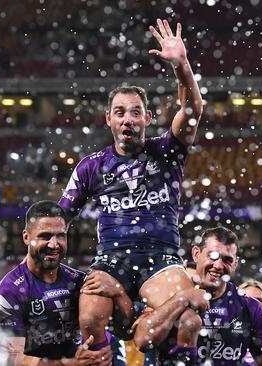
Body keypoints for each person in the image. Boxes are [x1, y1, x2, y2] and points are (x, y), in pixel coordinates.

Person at [58, 18, 204, 363]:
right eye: (120, 113)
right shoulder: (91, 166)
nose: (128, 119)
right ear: (108, 119)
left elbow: (192, 110)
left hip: (162, 260)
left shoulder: (167, 152)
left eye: (135, 113)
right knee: (90, 318)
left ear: (148, 118)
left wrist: (181, 65)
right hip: (111, 259)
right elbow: (59, 218)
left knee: (189, 319)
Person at [0, 200, 131, 365]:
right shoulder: (6, 295)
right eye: (45, 236)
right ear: (26, 237)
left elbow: (125, 332)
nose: (54, 244)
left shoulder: (81, 282)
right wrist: (72, 364)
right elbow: (14, 361)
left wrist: (118, 292)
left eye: (60, 236)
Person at [132, 226, 262, 365]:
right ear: (196, 254)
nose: (218, 265)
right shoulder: (167, 292)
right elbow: (142, 341)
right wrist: (182, 299)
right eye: (213, 256)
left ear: (235, 264)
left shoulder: (251, 307)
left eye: (227, 260)